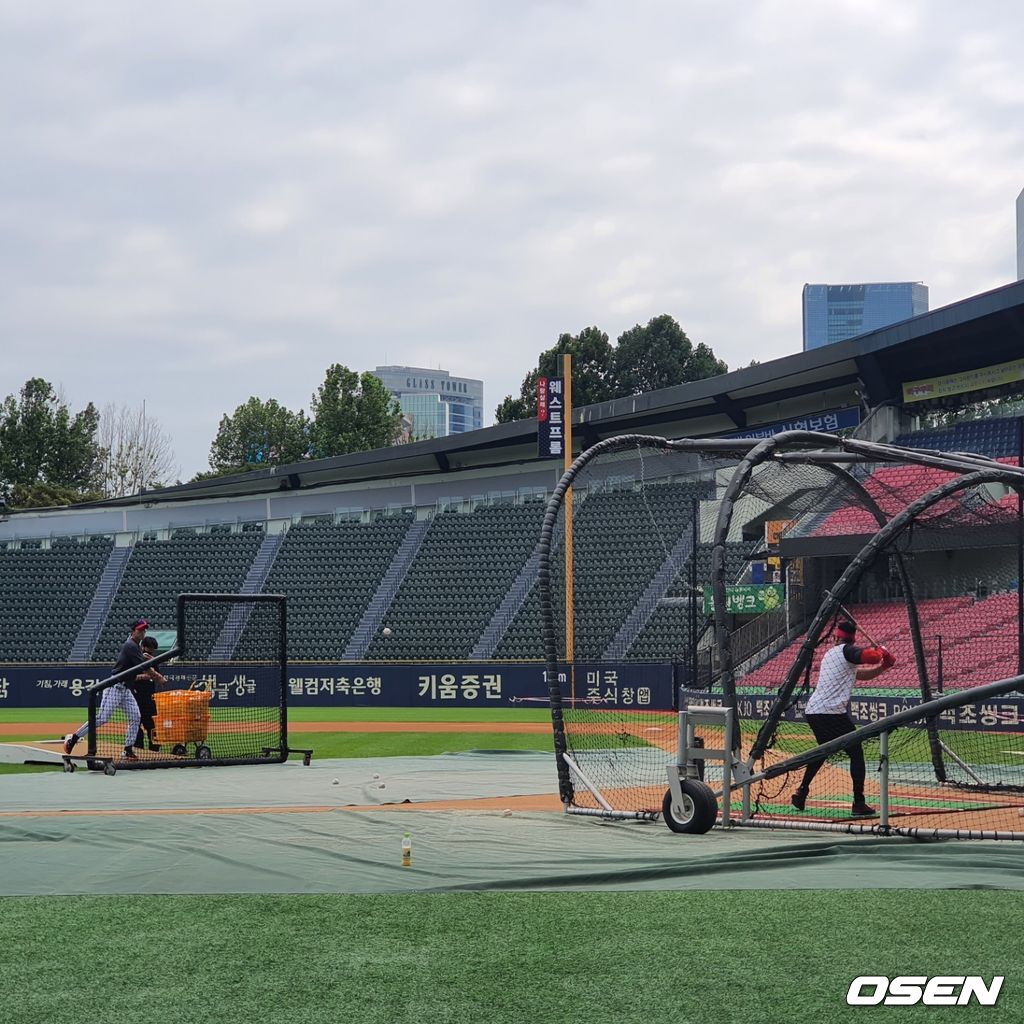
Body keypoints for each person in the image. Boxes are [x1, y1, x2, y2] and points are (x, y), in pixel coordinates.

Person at [790, 619, 896, 817]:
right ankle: (859, 802)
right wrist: (882, 652)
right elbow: (870, 657)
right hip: (830, 712)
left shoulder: (834, 655)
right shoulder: (846, 652)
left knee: (822, 750)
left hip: (816, 711)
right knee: (856, 753)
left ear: (836, 637)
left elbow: (862, 675)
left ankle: (802, 791)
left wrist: (884, 667)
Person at [64, 619, 150, 762]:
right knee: (103, 718)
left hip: (126, 689)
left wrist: (145, 673)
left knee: (135, 717)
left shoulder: (137, 647)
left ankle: (128, 750)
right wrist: (156, 676)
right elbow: (143, 666)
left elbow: (133, 672)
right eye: (140, 629)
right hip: (115, 687)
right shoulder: (130, 645)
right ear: (133, 630)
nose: (142, 632)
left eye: (144, 629)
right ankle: (74, 738)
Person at [129, 635, 168, 752]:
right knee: (136, 723)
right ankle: (138, 748)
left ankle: (154, 749)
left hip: (149, 696)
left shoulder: (152, 659)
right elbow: (129, 676)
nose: (150, 652)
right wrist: (144, 676)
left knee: (152, 724)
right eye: (148, 649)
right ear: (143, 647)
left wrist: (153, 669)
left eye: (152, 650)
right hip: (136, 696)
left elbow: (157, 675)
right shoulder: (135, 659)